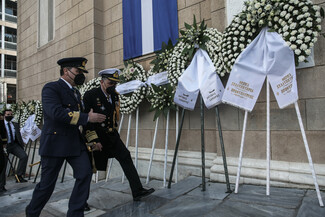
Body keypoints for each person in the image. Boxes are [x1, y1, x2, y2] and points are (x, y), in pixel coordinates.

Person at [25, 57, 106, 217]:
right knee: (47, 185)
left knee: (85, 174)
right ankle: (32, 213)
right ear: (65, 71)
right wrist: (86, 117)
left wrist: (92, 137)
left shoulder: (76, 93)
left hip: (75, 143)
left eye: (82, 72)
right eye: (77, 71)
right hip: (55, 143)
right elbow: (55, 113)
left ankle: (75, 213)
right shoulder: (51, 88)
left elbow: (82, 115)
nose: (81, 75)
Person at [83, 68, 155, 203]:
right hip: (97, 138)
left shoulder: (115, 95)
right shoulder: (90, 95)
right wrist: (94, 140)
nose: (113, 86)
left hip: (111, 136)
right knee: (89, 169)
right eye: (110, 83)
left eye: (115, 83)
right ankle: (82, 201)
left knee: (126, 157)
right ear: (102, 82)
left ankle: (137, 191)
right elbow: (86, 121)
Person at [0, 109, 28, 193]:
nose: (10, 116)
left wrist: (21, 143)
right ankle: (2, 185)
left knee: (24, 156)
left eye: (11, 114)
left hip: (14, 145)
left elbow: (18, 135)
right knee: (3, 165)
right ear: (4, 115)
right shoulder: (1, 124)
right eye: (8, 114)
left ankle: (19, 175)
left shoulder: (15, 124)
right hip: (5, 146)